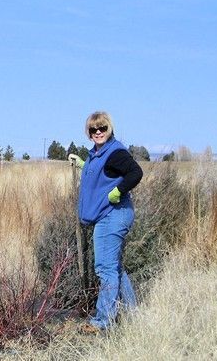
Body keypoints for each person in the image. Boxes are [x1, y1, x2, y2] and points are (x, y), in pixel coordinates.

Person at [68, 111, 143, 332]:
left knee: (105, 269)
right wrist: (83, 164)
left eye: (102, 128)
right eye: (94, 129)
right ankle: (132, 312)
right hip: (110, 215)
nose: (98, 132)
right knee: (115, 267)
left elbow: (135, 172)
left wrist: (118, 191)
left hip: (113, 215)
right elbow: (104, 174)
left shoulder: (115, 152)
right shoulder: (100, 153)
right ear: (88, 133)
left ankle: (103, 321)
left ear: (109, 129)